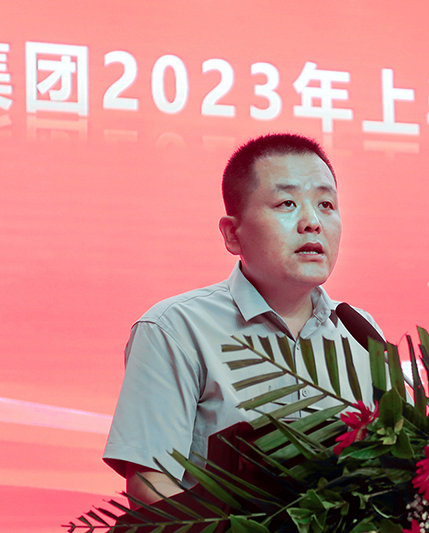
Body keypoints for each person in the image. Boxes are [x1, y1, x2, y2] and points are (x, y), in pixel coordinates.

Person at [103, 133, 380, 507]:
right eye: (287, 203)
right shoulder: (175, 329)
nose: (312, 222)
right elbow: (151, 486)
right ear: (233, 234)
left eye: (326, 204)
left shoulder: (360, 333)